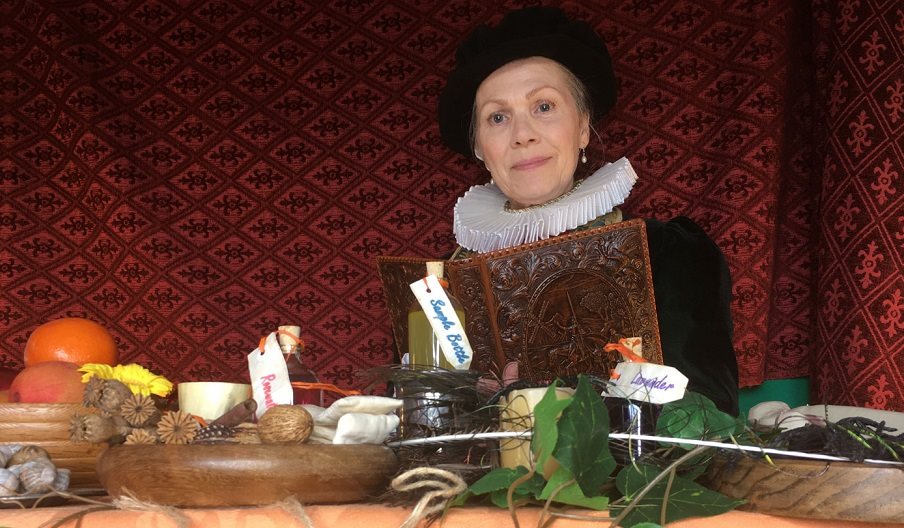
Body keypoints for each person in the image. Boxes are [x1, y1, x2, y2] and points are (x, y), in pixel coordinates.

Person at [437, 6, 739, 415]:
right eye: (497, 117)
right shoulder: (440, 286)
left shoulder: (667, 253)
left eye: (544, 107)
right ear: (480, 149)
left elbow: (707, 418)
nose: (522, 134)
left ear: (582, 126)